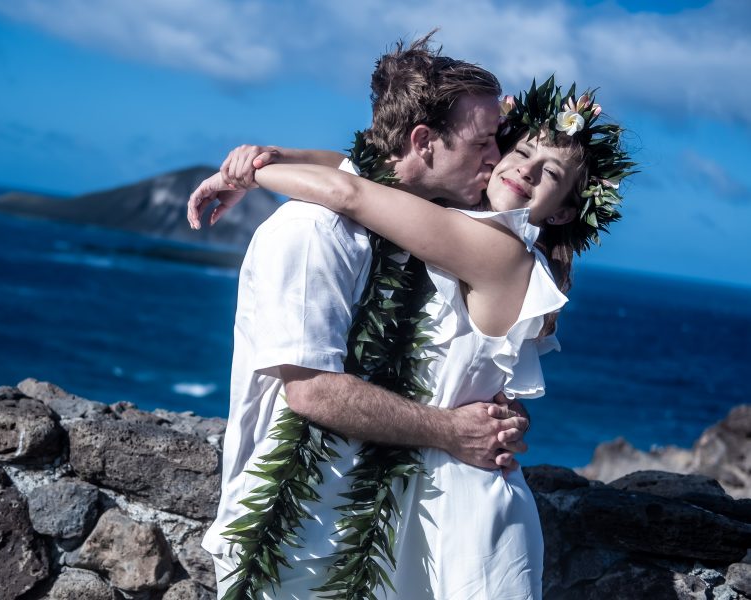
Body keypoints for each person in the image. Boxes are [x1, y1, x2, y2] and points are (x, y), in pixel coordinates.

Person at [189, 76, 632, 599]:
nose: (522, 168)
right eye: (519, 150)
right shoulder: (458, 222)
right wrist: (273, 153)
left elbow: (354, 192)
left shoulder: (500, 251)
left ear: (560, 212)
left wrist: (251, 176)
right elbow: (376, 174)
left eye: (549, 172)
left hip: (465, 501)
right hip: (421, 486)